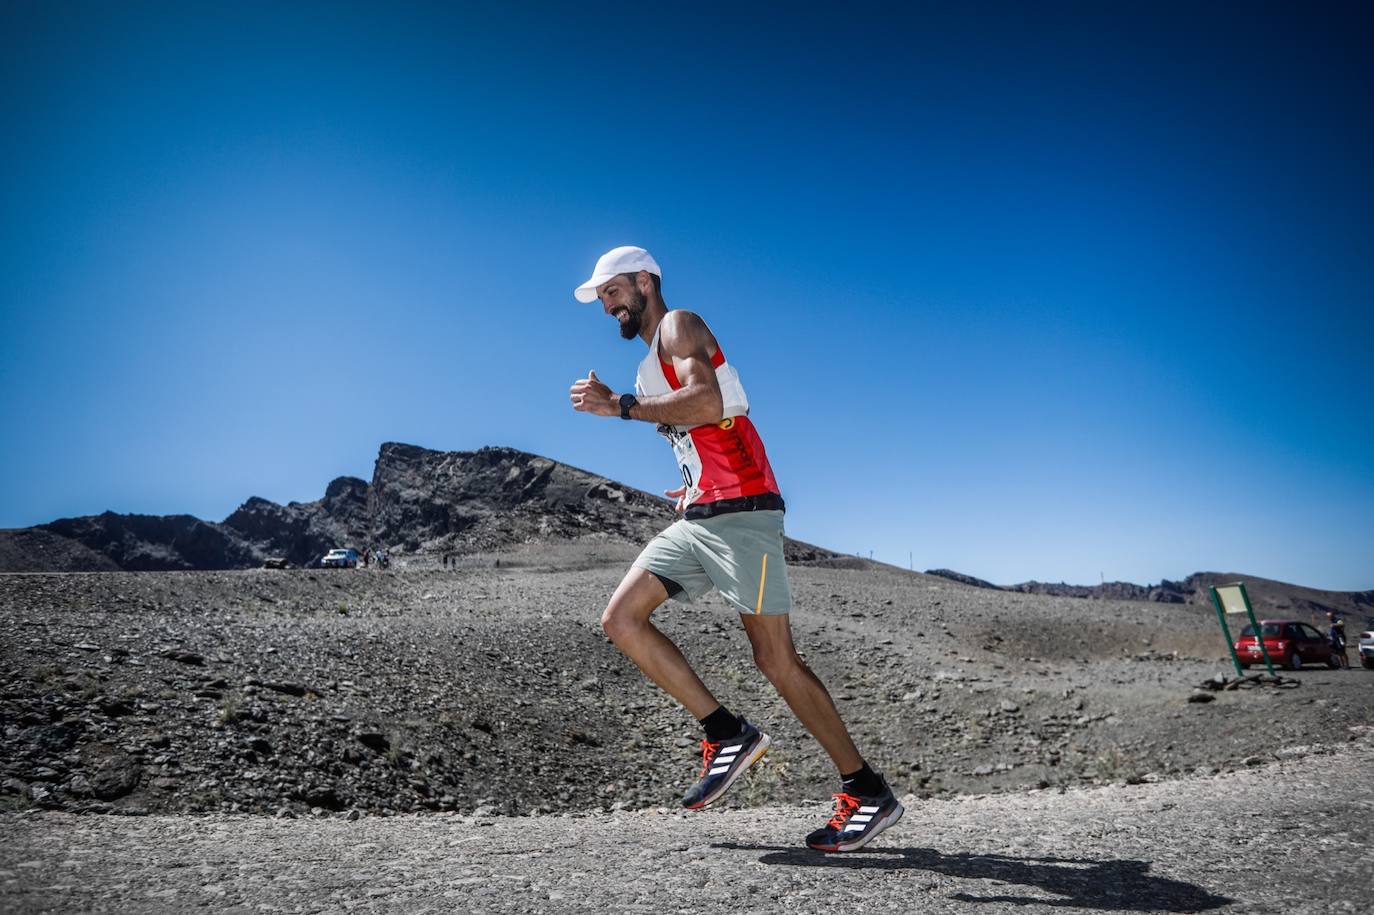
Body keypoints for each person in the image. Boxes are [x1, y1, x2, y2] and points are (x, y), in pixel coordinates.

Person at [568, 245, 902, 852]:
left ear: (646, 280)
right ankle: (725, 732)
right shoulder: (651, 359)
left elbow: (707, 402)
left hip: (744, 515)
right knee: (621, 618)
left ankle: (866, 790)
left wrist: (618, 406)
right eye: (602, 298)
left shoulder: (677, 325)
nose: (608, 304)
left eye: (614, 290)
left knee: (776, 660)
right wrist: (693, 476)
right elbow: (706, 427)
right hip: (702, 514)